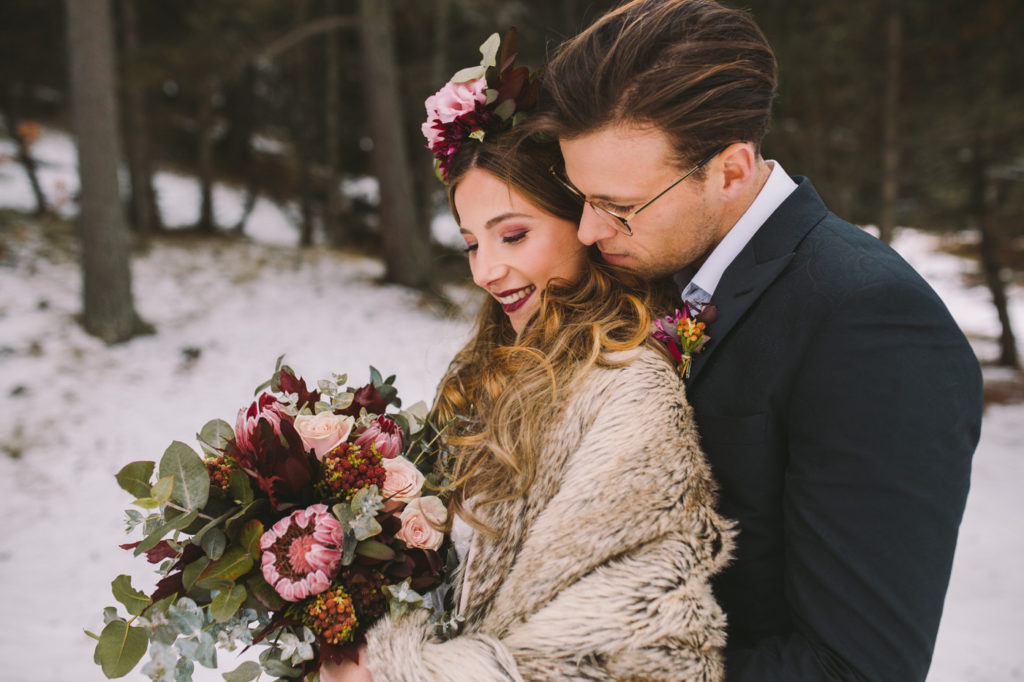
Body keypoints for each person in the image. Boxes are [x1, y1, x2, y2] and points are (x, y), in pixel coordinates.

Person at [526, 1, 984, 680]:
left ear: (732, 170)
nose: (590, 230)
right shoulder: (654, 265)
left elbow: (853, 666)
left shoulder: (871, 324)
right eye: (580, 194)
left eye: (620, 206)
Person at [322, 31, 735, 681]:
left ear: (584, 218)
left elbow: (624, 650)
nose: (487, 270)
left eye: (512, 234)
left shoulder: (629, 392)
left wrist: (394, 672)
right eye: (470, 244)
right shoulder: (503, 366)